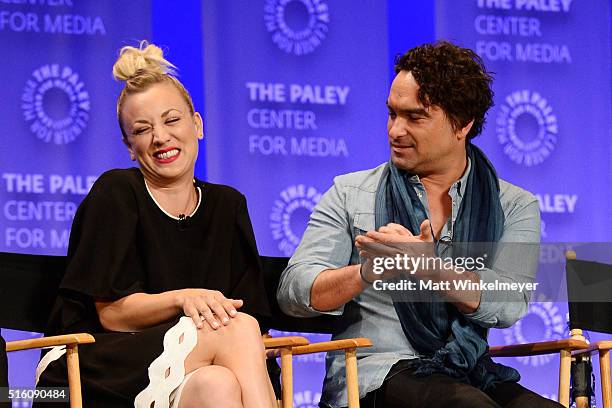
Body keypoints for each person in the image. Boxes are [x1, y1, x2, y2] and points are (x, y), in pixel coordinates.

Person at [277, 41, 558, 408]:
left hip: (468, 369)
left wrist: (428, 267)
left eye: (415, 117)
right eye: (392, 114)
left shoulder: (515, 205)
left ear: (463, 124)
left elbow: (509, 302)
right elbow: (294, 290)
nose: (395, 130)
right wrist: (365, 272)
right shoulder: (350, 193)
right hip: (376, 374)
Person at [35, 42, 277, 408]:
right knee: (237, 328)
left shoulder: (228, 205)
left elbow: (253, 315)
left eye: (171, 120)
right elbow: (111, 315)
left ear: (197, 124)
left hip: (191, 365)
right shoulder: (117, 191)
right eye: (143, 129)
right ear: (130, 146)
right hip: (89, 365)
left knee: (219, 384)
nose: (160, 137)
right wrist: (184, 298)